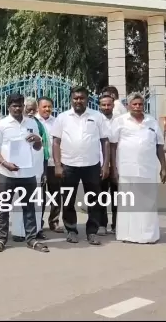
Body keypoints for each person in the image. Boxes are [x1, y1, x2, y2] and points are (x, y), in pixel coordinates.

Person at [0, 93, 48, 253]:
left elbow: (37, 147)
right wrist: (5, 164)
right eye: (14, 106)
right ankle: (1, 239)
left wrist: (38, 140)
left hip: (28, 173)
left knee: (29, 207)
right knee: (3, 207)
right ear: (8, 107)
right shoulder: (0, 125)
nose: (17, 108)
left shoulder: (32, 123)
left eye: (20, 105)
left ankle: (31, 239)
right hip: (6, 174)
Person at [52, 86, 110, 246]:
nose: (78, 101)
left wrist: (106, 165)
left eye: (82, 98)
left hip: (92, 165)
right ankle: (71, 230)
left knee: (94, 200)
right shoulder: (63, 117)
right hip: (68, 165)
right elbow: (56, 142)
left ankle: (92, 232)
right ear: (71, 100)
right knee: (68, 199)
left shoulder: (97, 116)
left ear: (87, 99)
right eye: (76, 98)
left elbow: (105, 141)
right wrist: (57, 165)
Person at [110, 93, 166, 244]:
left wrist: (164, 167)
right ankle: (127, 235)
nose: (137, 107)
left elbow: (159, 145)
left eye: (140, 104)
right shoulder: (120, 121)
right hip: (126, 168)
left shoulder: (151, 122)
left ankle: (148, 235)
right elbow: (113, 145)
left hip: (148, 168)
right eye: (134, 104)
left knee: (148, 202)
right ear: (128, 105)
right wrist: (113, 169)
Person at [10, 97, 48, 241]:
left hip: (36, 168)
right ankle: (18, 232)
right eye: (28, 109)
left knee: (36, 201)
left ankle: (36, 230)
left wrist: (44, 170)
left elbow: (44, 147)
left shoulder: (37, 124)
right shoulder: (13, 123)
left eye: (33, 109)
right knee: (19, 201)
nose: (31, 112)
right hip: (18, 169)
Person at [36, 97, 63, 233]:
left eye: (49, 107)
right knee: (39, 195)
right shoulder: (34, 122)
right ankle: (38, 223)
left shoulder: (57, 122)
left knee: (56, 194)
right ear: (38, 107)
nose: (47, 109)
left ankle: (54, 221)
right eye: (44, 107)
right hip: (39, 164)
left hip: (54, 163)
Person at [98, 94, 118, 235]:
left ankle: (116, 225)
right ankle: (102, 224)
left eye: (108, 104)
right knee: (102, 195)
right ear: (99, 106)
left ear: (113, 105)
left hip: (117, 163)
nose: (106, 107)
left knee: (117, 196)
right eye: (103, 105)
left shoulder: (120, 120)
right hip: (101, 163)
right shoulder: (96, 120)